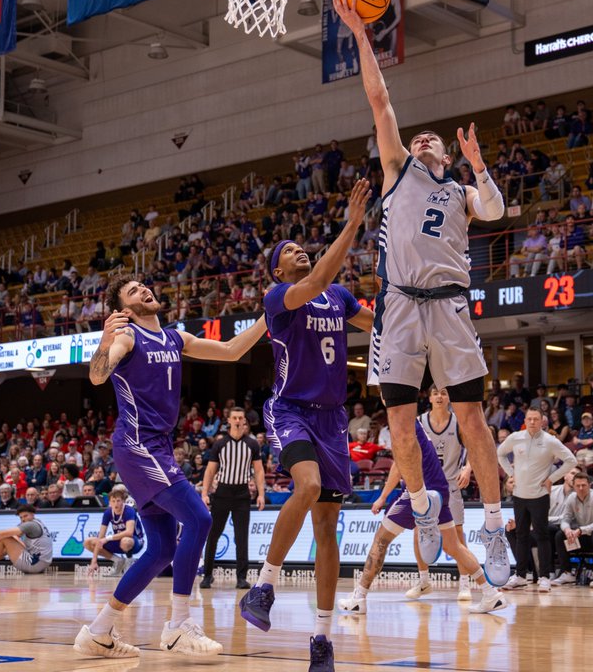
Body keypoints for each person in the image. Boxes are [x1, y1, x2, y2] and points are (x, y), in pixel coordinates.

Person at [334, 0, 512, 588]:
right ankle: (425, 508)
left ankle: (491, 528)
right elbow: (379, 98)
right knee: (401, 423)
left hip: (452, 304)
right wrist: (362, 33)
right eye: (421, 139)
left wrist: (479, 164)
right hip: (401, 305)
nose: (424, 141)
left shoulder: (462, 190)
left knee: (472, 418)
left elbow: (496, 209)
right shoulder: (397, 170)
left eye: (433, 140)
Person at [73, 278, 270, 660]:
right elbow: (98, 376)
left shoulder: (175, 338)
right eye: (133, 292)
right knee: (199, 518)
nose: (144, 290)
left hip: (158, 446)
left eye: (144, 286)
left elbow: (230, 350)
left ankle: (98, 631)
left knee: (162, 549)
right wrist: (103, 343)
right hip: (137, 444)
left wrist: (268, 316)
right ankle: (179, 623)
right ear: (124, 310)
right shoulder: (128, 336)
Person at [238, 180, 375, 671]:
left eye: (302, 248)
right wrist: (353, 224)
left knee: (328, 532)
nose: (300, 252)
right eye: (290, 250)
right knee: (308, 484)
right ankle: (264, 584)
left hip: (333, 420)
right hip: (291, 409)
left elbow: (375, 322)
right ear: (278, 269)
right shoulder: (279, 298)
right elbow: (315, 282)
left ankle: (322, 637)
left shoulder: (338, 295)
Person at [339, 421, 505, 616]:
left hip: (419, 492)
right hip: (440, 488)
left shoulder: (399, 420)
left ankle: (359, 598)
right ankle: (490, 593)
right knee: (454, 546)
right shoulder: (413, 420)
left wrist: (383, 497)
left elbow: (399, 466)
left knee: (381, 540)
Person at [497, 407, 577, 592]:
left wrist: (551, 479)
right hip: (519, 495)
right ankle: (520, 576)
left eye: (536, 419)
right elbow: (500, 453)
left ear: (542, 421)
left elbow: (571, 460)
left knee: (541, 536)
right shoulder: (516, 437)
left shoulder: (550, 441)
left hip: (539, 496)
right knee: (521, 536)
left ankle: (544, 577)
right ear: (525, 420)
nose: (532, 422)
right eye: (529, 419)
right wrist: (511, 474)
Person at [407, 385, 474, 600]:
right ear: (429, 397)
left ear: (448, 398)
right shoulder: (419, 421)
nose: (439, 396)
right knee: (419, 531)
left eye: (443, 393)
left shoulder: (457, 421)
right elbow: (407, 448)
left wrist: (467, 467)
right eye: (435, 393)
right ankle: (424, 581)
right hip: (425, 486)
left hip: (450, 484)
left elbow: (474, 446)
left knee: (457, 534)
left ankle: (465, 584)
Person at [201, 405, 265, 590]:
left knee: (241, 537)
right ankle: (207, 575)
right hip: (222, 493)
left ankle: (241, 578)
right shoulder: (220, 444)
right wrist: (205, 493)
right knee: (213, 535)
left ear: (245, 421)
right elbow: (211, 470)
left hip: (242, 494)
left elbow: (259, 471)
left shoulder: (252, 444)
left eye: (240, 418)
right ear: (228, 421)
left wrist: (261, 494)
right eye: (234, 418)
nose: (237, 421)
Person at [83, 487, 144, 576]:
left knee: (125, 540)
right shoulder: (108, 513)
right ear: (109, 502)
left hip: (136, 542)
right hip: (119, 542)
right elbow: (100, 537)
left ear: (123, 501)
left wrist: (107, 538)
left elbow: (129, 532)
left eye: (118, 501)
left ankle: (129, 561)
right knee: (88, 542)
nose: (116, 504)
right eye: (113, 501)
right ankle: (118, 561)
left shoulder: (129, 511)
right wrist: (94, 561)